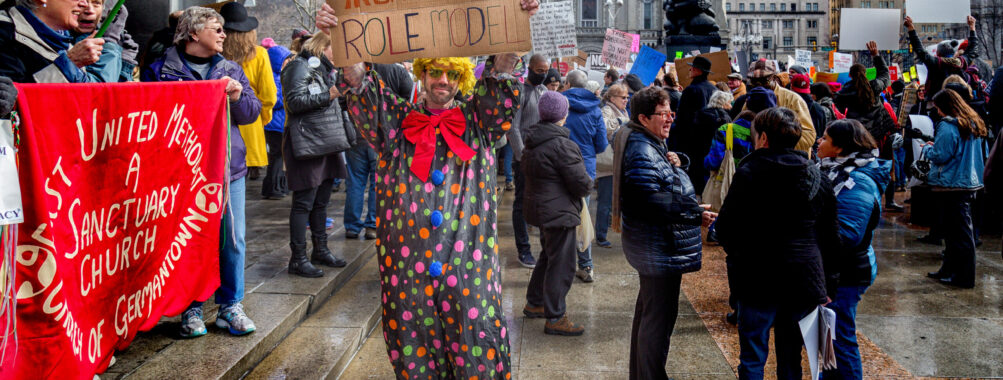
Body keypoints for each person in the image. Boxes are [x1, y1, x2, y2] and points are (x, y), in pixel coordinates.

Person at [318, 0, 539, 375]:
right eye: (435, 72)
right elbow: (358, 82)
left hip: (470, 270)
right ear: (422, 74)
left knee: (477, 354)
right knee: (415, 357)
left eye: (451, 75)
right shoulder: (394, 121)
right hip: (408, 271)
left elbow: (501, 75)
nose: (442, 82)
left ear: (462, 79)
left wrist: (513, 26)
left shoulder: (478, 121)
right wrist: (339, 33)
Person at [143, 6, 262, 337]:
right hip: (182, 172)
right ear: (193, 33)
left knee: (232, 239)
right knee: (188, 239)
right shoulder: (160, 70)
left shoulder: (231, 69)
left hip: (228, 169)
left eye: (224, 29)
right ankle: (190, 307)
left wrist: (237, 96)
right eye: (216, 28)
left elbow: (252, 113)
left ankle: (230, 306)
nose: (224, 34)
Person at [715, 107, 838, 379]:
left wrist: (740, 253)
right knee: (791, 353)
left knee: (752, 355)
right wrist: (830, 281)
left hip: (756, 275)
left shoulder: (749, 171)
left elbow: (724, 229)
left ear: (764, 139)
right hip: (804, 276)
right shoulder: (816, 175)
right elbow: (830, 236)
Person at [611, 86, 716, 380]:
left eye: (671, 112)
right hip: (657, 248)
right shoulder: (642, 148)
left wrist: (679, 160)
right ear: (643, 118)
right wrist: (694, 211)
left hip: (656, 246)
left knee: (650, 315)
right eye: (663, 114)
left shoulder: (649, 141)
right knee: (657, 323)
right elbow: (649, 198)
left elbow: (663, 178)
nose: (670, 119)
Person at [816, 119, 890, 380]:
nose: (818, 142)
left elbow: (847, 234)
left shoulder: (858, 180)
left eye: (825, 138)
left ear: (840, 148)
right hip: (834, 269)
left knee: (840, 338)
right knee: (829, 337)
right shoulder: (833, 170)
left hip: (847, 272)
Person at [521, 91, 593, 336]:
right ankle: (555, 316)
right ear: (563, 115)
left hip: (541, 210)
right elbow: (581, 184)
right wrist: (588, 181)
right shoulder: (562, 145)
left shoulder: (533, 139)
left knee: (548, 257)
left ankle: (535, 302)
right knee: (562, 264)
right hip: (558, 213)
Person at [279, 32, 349, 278]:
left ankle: (321, 249)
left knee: (321, 201)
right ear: (324, 47)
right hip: (307, 141)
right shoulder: (298, 65)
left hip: (325, 140)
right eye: (336, 49)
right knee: (304, 203)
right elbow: (295, 101)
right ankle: (298, 259)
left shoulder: (325, 69)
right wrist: (328, 95)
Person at [924, 89, 987, 289]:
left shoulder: (948, 126)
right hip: (967, 181)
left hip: (950, 183)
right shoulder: (972, 123)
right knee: (956, 232)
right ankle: (950, 270)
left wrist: (927, 149)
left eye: (938, 108)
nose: (937, 112)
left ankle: (963, 276)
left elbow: (941, 155)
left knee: (958, 234)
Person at [344, 62, 413, 241]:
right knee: (378, 181)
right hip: (386, 136)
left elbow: (345, 99)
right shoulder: (397, 70)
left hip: (359, 131)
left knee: (355, 181)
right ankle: (372, 225)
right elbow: (408, 99)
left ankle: (352, 226)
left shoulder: (360, 69)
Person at [835, 41, 900, 212]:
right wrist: (876, 55)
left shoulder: (844, 92)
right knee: (886, 166)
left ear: (850, 76)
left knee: (859, 167)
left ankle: (862, 199)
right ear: (865, 74)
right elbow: (885, 75)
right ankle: (890, 200)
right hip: (881, 135)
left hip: (858, 136)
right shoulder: (875, 87)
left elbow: (839, 110)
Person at [221, 1, 275, 181]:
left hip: (219, 124)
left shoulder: (215, 52)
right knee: (239, 182)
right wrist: (263, 118)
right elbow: (268, 95)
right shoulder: (259, 54)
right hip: (249, 122)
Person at [563, 69, 609, 283]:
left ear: (567, 83)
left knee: (561, 216)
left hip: (560, 165)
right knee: (583, 216)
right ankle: (586, 265)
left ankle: (561, 265)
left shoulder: (559, 103)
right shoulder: (595, 108)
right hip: (585, 168)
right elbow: (601, 144)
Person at [1, 0, 105, 83]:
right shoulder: (5, 33)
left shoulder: (65, 41)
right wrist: (69, 64)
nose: (84, 3)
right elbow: (15, 103)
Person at [512, 53, 550, 268]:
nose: (543, 75)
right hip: (524, 159)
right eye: (539, 71)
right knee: (521, 204)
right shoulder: (520, 93)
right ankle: (523, 250)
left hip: (542, 157)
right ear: (530, 69)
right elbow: (514, 128)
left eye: (545, 71)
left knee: (542, 202)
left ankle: (545, 248)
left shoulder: (544, 91)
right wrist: (522, 156)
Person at [732, 60, 816, 155]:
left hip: (788, 163)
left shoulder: (793, 99)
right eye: (754, 81)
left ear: (773, 77)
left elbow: (808, 136)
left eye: (764, 80)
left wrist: (776, 145)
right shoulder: (750, 99)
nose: (759, 84)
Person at [905, 15, 979, 97]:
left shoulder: (934, 63)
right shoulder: (961, 62)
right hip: (958, 102)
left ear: (937, 54)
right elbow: (972, 49)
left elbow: (920, 50)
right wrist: (972, 27)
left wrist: (911, 28)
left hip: (936, 104)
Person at [595, 83, 630, 249]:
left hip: (618, 162)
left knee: (615, 200)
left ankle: (609, 227)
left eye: (627, 97)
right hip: (609, 164)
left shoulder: (621, 110)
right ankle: (601, 235)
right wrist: (620, 121)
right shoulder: (607, 110)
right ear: (612, 98)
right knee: (605, 201)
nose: (626, 100)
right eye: (623, 97)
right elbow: (603, 128)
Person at [670, 56, 718, 162]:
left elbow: (682, 118)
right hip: (709, 141)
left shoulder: (692, 89)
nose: (690, 70)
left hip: (691, 141)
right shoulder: (714, 89)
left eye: (693, 68)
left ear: (698, 71)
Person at [260, 39, 291, 199]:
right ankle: (275, 187)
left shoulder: (278, 75)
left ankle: (275, 186)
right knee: (278, 156)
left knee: (277, 156)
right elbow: (275, 100)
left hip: (276, 123)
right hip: (275, 124)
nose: (288, 62)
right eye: (286, 59)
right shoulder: (275, 77)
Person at [688, 90, 734, 193]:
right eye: (729, 103)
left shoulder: (700, 114)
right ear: (723, 103)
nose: (730, 106)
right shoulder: (724, 117)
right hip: (714, 157)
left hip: (699, 156)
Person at [791, 73, 828, 154]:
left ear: (791, 88)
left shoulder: (790, 105)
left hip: (797, 150)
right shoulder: (819, 108)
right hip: (815, 150)